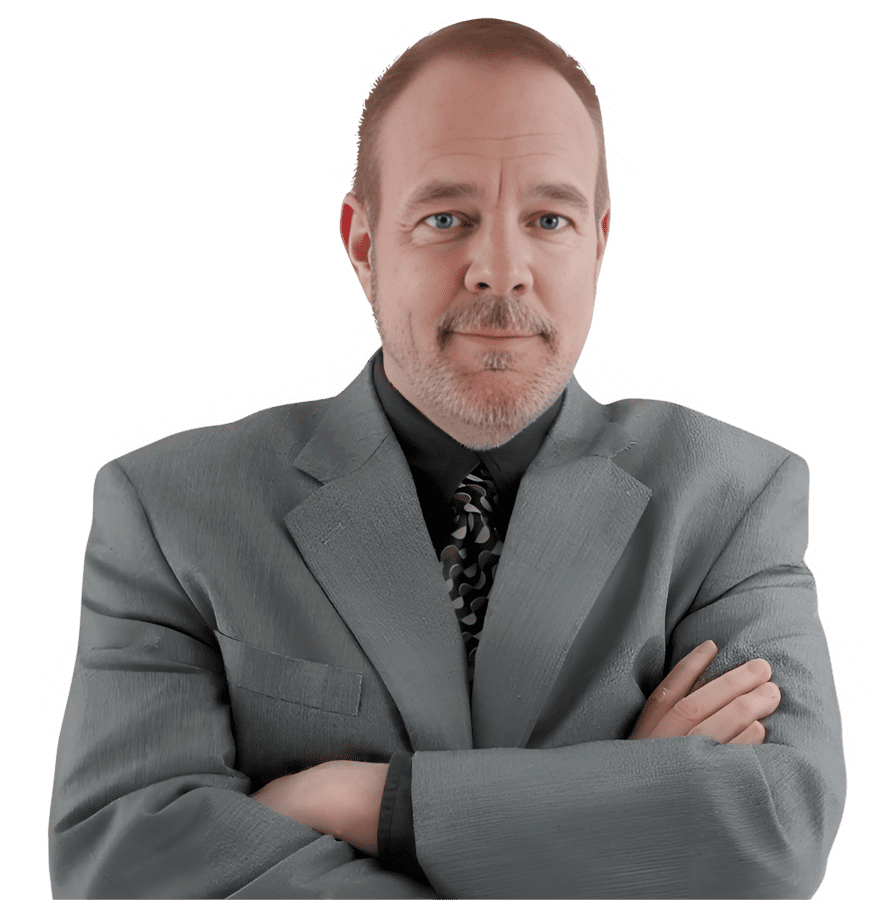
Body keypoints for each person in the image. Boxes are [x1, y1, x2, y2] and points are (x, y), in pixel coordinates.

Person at [48, 17, 846, 900]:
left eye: (548, 218)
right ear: (363, 244)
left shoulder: (731, 496)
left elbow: (775, 830)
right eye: (444, 218)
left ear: (597, 242)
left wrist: (370, 801)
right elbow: (127, 856)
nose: (500, 270)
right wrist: (623, 809)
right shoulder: (169, 508)